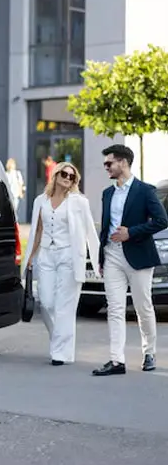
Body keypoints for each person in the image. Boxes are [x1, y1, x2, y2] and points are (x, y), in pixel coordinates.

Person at [93, 144, 168, 376]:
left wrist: (131, 232)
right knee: (114, 308)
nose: (106, 167)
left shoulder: (145, 190)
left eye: (109, 163)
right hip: (112, 254)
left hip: (138, 254)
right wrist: (101, 257)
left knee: (143, 307)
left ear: (123, 162)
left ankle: (149, 353)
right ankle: (117, 360)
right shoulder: (107, 193)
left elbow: (161, 220)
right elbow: (105, 228)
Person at [23, 162, 100, 365]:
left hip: (69, 256)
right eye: (64, 174)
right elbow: (38, 230)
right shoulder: (41, 200)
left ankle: (60, 353)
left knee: (65, 307)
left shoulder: (79, 202)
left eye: (72, 177)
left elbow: (90, 231)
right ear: (55, 176)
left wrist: (97, 258)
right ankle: (61, 341)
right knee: (46, 302)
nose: (67, 178)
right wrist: (30, 256)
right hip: (46, 255)